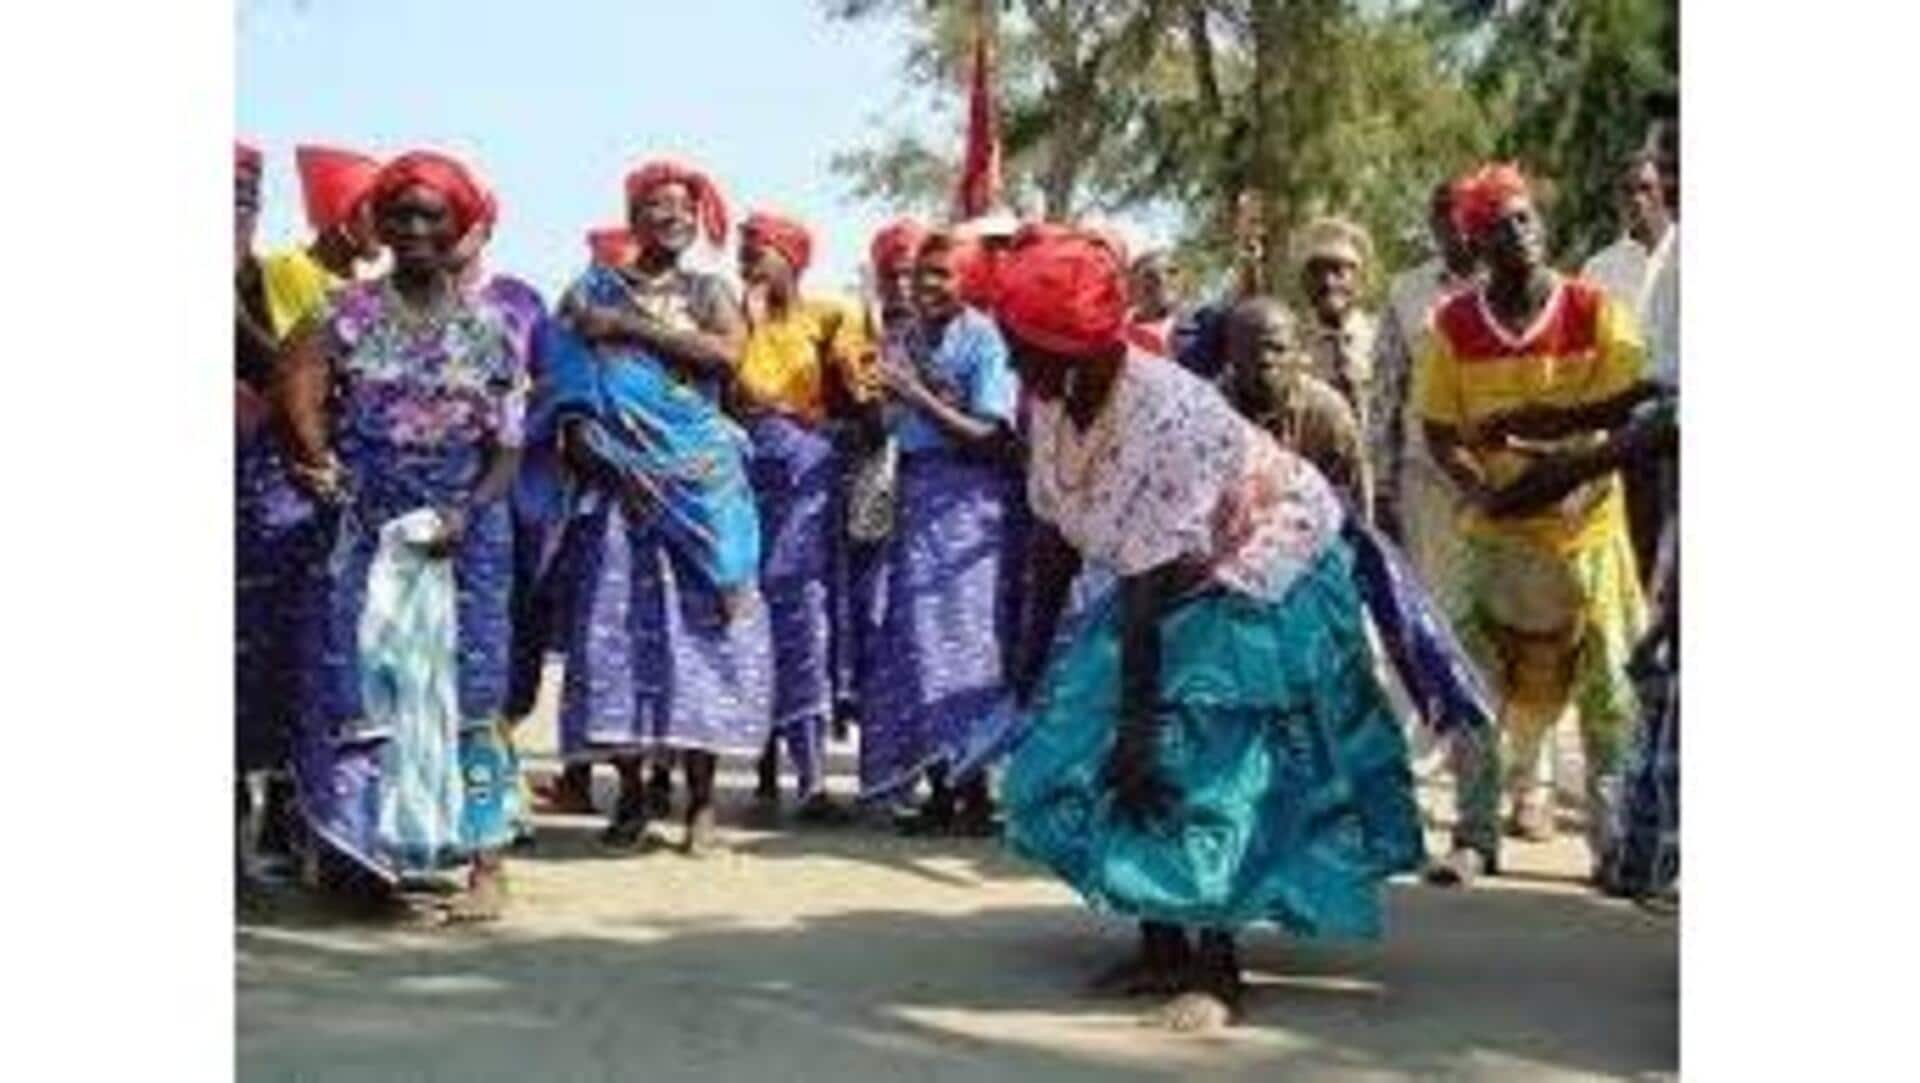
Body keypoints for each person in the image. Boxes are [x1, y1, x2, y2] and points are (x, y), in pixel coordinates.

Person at [995, 227, 1425, 1033]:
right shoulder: (1052, 400)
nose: (1016, 366)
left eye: (1024, 350)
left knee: (1206, 754)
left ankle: (1215, 963)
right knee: (1071, 747)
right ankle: (1158, 939)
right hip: (1153, 578)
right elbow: (1054, 534)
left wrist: (1137, 724)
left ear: (1080, 350)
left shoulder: (1169, 412)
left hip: (1262, 559)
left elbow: (1160, 584)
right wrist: (1027, 654)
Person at [276, 150, 527, 923]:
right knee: (367, 683)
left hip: (467, 527)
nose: (416, 228)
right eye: (401, 214)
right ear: (377, 224)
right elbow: (298, 385)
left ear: (459, 225)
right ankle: (367, 855)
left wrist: (469, 510)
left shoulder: (495, 329)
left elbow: (509, 448)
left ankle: (487, 863)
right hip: (367, 522)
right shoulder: (344, 313)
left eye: (432, 215)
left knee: (472, 689)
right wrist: (319, 462)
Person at [1416, 163, 1657, 887]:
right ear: (1475, 243)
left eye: (1527, 218)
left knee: (1610, 686)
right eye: (1500, 225)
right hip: (1496, 536)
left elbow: (1627, 413)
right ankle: (1475, 832)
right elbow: (1438, 430)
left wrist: (1556, 467)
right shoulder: (1454, 325)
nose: (1520, 232)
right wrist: (1478, 487)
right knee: (1470, 680)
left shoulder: (1595, 309)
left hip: (1588, 533)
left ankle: (1612, 841)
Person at [529, 157, 772, 855]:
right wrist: (602, 459)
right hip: (619, 486)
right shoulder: (587, 291)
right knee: (618, 641)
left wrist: (631, 329)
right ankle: (631, 796)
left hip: (704, 481)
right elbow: (566, 391)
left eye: (684, 208)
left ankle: (700, 803)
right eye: (658, 206)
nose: (673, 217)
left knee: (707, 639)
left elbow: (726, 358)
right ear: (633, 216)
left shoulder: (710, 290)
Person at [854, 228, 1022, 835]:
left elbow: (992, 435)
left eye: (940, 275)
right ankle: (940, 788)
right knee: (917, 648)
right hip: (915, 497)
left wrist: (917, 396)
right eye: (918, 275)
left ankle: (977, 790)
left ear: (968, 280)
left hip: (971, 508)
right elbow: (890, 424)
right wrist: (875, 403)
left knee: (970, 648)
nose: (924, 286)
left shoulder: (985, 340)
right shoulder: (900, 339)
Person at [732, 208, 870, 824]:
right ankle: (761, 771)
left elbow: (863, 396)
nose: (747, 262)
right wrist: (746, 327)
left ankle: (812, 779)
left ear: (790, 258)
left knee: (804, 619)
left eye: (757, 251)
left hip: (806, 484)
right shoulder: (730, 319)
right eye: (742, 251)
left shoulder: (830, 316)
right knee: (746, 614)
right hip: (741, 476)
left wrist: (844, 394)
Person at [1582, 151, 1677, 579]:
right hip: (1624, 434)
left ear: (1664, 192)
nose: (1636, 199)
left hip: (1679, 428)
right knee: (1634, 553)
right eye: (1627, 191)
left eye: (1646, 188)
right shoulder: (1599, 271)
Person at [1292, 217, 1379, 519]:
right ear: (1304, 281)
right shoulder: (1289, 350)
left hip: (1388, 493)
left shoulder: (1383, 338)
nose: (1328, 282)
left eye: (1339, 271)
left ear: (1359, 278)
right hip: (1322, 499)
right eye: (1317, 271)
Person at [259, 145, 383, 341]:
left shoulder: (363, 290)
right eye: (375, 211)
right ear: (341, 213)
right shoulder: (288, 268)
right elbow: (293, 353)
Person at [1123, 249, 1180, 356]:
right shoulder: (1117, 329)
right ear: (1133, 281)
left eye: (1172, 272)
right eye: (1150, 275)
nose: (1163, 279)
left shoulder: (1196, 331)